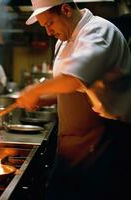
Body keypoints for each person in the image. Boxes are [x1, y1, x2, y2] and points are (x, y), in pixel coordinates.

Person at [17, 0, 131, 199]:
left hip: (103, 142)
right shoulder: (63, 42)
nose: (48, 32)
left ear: (66, 10)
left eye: (49, 23)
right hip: (71, 143)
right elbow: (71, 90)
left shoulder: (100, 31)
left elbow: (74, 78)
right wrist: (41, 99)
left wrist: (35, 90)